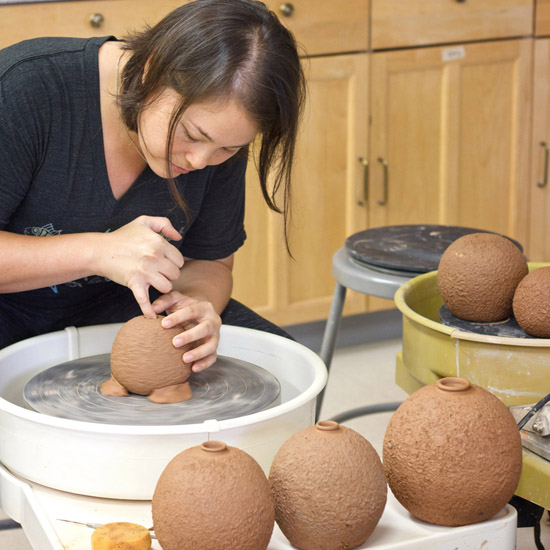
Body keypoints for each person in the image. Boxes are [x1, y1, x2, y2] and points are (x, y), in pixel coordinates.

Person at [0, 0, 306, 371]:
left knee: (286, 367)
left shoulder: (219, 138)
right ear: (150, 72)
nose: (199, 161)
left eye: (229, 148)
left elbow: (210, 262)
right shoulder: (27, 89)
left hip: (121, 307)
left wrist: (194, 306)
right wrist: (97, 252)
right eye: (191, 134)